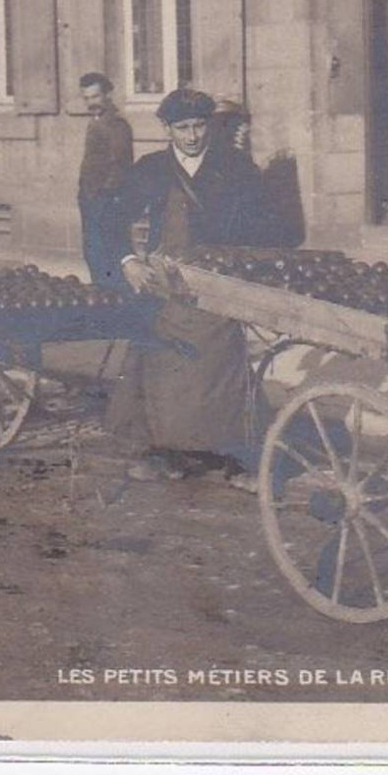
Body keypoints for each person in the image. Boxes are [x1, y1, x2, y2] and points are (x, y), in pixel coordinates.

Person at [102, 88, 269, 484]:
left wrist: (247, 266)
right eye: (182, 128)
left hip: (219, 284)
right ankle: (166, 452)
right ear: (166, 128)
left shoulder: (236, 167)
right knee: (165, 369)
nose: (192, 136)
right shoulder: (151, 169)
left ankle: (232, 457)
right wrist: (127, 262)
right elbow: (109, 220)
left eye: (199, 126)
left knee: (221, 369)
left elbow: (264, 225)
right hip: (168, 284)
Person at [75, 72, 134, 289]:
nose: (91, 103)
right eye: (87, 98)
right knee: (94, 253)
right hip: (91, 198)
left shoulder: (116, 125)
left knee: (108, 253)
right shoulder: (96, 121)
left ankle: (115, 303)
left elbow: (121, 166)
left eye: (96, 96)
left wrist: (104, 196)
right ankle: (103, 297)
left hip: (106, 200)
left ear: (108, 94)